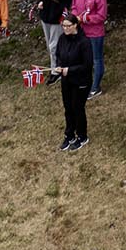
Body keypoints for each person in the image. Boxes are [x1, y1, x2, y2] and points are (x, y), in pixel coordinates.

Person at [49, 10, 92, 151]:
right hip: (67, 80)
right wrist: (60, 66)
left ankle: (82, 136)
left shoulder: (84, 42)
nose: (65, 28)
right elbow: (58, 55)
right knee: (68, 108)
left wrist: (70, 70)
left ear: (75, 25)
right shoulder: (62, 39)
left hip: (81, 80)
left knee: (77, 108)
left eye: (68, 26)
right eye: (63, 26)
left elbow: (87, 65)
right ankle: (69, 134)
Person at [71, 0, 108, 98]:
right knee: (83, 59)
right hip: (81, 32)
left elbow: (101, 16)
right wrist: (75, 16)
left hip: (95, 33)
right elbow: (74, 6)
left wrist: (85, 18)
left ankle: (95, 87)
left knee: (97, 59)